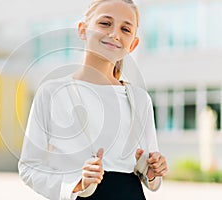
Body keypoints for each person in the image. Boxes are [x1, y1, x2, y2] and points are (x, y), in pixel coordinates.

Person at [18, 0, 168, 199]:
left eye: (125, 29)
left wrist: (152, 171)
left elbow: (149, 173)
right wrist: (78, 184)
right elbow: (29, 168)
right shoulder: (52, 93)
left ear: (133, 44)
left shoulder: (140, 100)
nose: (115, 34)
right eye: (105, 23)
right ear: (83, 29)